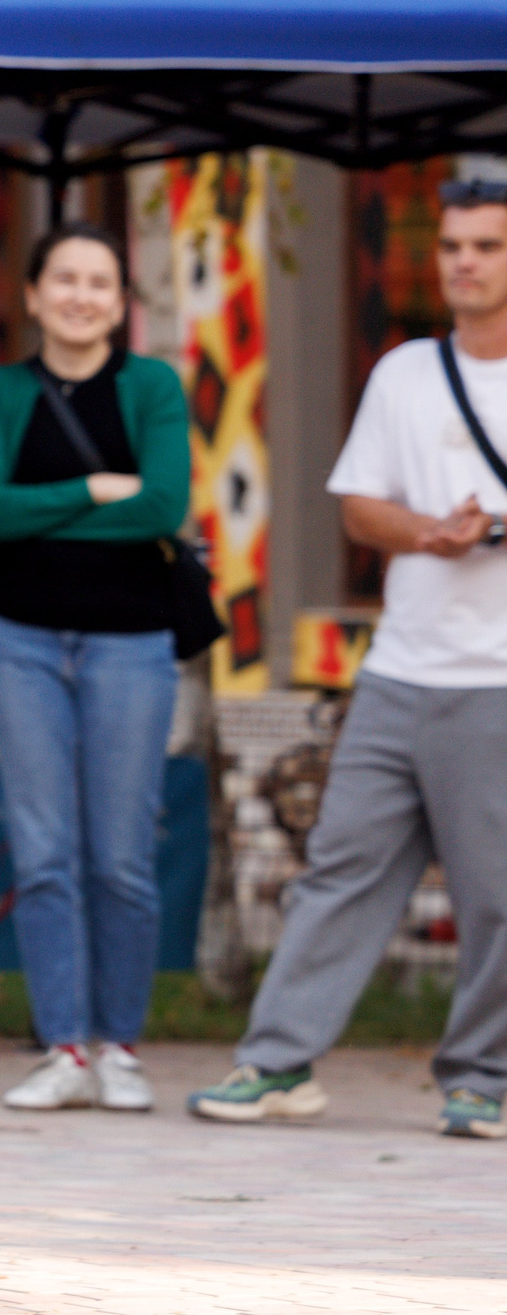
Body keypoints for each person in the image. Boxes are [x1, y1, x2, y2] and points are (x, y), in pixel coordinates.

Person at [190, 180, 507, 1141]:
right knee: (338, 870)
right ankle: (278, 1062)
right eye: (452, 245)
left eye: (486, 247)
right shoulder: (406, 371)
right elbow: (359, 505)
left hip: (497, 678)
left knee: (495, 890)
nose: (463, 263)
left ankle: (482, 1078)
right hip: (399, 670)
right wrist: (430, 532)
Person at [0, 222, 192, 1113]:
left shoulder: (154, 387)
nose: (82, 295)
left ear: (121, 301)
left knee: (123, 856)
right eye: (65, 279)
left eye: (100, 281)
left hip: (132, 644)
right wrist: (96, 492)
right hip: (21, 643)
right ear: (33, 294)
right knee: (47, 852)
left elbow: (165, 506)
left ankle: (121, 1045)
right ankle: (65, 1049)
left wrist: (43, 511)